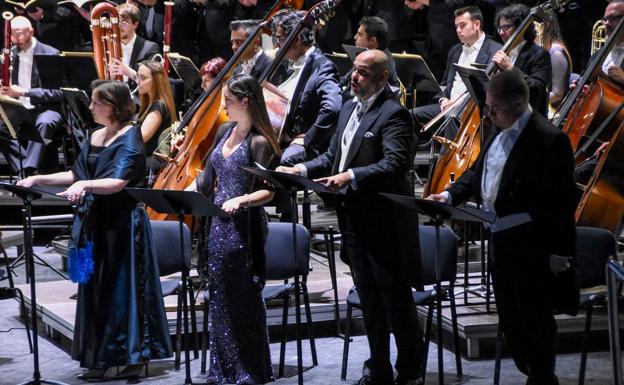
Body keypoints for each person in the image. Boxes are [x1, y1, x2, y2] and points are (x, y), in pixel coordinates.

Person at [277, 50, 424, 385]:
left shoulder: (395, 114)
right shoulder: (348, 108)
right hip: (354, 220)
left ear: (383, 77)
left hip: (384, 223)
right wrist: (298, 168)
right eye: (353, 71)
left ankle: (411, 369)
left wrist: (351, 176)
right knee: (369, 299)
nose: (353, 77)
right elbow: (333, 156)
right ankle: (379, 367)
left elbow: (395, 164)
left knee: (394, 299)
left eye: (362, 72)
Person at [428, 70, 578, 385]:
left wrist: (560, 251)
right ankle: (533, 372)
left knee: (535, 318)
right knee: (510, 318)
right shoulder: (498, 130)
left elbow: (563, 201)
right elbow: (476, 173)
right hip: (500, 241)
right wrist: (449, 194)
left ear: (519, 102)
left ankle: (541, 378)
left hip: (532, 245)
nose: (488, 113)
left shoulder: (550, 139)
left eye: (494, 108)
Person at [17, 80, 172, 381]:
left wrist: (85, 185)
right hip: (95, 224)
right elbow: (76, 174)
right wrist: (38, 180)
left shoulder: (132, 137)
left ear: (113, 106)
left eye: (96, 103)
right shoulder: (96, 135)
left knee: (121, 292)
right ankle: (102, 357)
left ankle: (129, 357)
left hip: (122, 227)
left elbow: (117, 183)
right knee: (97, 291)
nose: (90, 108)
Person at [185, 74, 279, 385]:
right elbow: (209, 175)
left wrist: (242, 199)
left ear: (245, 101)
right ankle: (223, 370)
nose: (224, 105)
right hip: (217, 226)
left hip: (244, 227)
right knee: (219, 299)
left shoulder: (260, 141)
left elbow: (269, 191)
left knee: (242, 300)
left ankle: (248, 371)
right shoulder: (226, 131)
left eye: (228, 100)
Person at [411, 6, 502, 139]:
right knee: (409, 115)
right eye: (456, 26)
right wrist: (443, 100)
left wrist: (460, 104)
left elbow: (491, 90)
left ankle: (445, 159)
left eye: (462, 25)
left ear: (477, 24)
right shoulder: (455, 50)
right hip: (447, 107)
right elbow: (444, 83)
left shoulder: (495, 50)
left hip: (473, 111)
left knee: (451, 117)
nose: (458, 30)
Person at [271, 9, 342, 165]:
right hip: (284, 132)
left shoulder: (323, 66)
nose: (277, 45)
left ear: (296, 40)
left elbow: (332, 108)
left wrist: (309, 137)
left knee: (285, 159)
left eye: (280, 39)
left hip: (311, 142)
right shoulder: (292, 63)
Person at [0, 15, 64, 175]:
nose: (15, 38)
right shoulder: (8, 54)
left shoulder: (50, 54)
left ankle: (28, 170)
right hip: (18, 108)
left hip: (45, 108)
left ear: (31, 31)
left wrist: (23, 92)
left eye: (19, 33)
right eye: (11, 34)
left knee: (44, 123)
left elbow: (57, 92)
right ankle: (24, 171)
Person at [492, 3, 552, 116]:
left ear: (522, 28)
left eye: (506, 27)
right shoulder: (505, 52)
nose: (501, 33)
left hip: (526, 120)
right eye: (499, 28)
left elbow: (537, 89)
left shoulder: (539, 54)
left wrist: (510, 69)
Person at [135, 60, 176, 180]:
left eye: (143, 78)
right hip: (147, 158)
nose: (138, 81)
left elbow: (140, 138)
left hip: (153, 162)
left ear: (156, 81)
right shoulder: (150, 103)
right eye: (137, 76)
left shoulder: (159, 106)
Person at [109, 2, 160, 88]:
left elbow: (153, 81)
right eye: (116, 22)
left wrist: (128, 72)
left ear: (135, 24)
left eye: (124, 22)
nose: (119, 26)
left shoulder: (150, 48)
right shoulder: (108, 46)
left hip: (138, 97)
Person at [541, 16, 572, 110]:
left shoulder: (556, 53)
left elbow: (557, 94)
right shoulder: (546, 48)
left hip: (554, 113)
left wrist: (530, 102)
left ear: (546, 25)